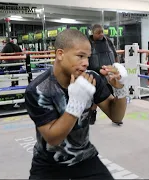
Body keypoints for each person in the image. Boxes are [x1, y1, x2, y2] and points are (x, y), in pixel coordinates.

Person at [24, 29, 128, 179]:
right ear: (60, 54)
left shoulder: (91, 79)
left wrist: (120, 89)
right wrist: (76, 103)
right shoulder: (39, 89)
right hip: (49, 164)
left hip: (85, 157)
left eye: (87, 57)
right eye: (80, 56)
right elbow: (53, 138)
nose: (86, 63)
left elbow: (116, 117)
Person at [86, 24, 122, 126]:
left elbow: (114, 54)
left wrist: (117, 66)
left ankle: (116, 116)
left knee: (114, 95)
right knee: (96, 97)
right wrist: (96, 70)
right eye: (98, 33)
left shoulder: (108, 41)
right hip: (95, 73)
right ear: (93, 33)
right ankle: (92, 114)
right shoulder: (88, 43)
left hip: (109, 72)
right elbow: (86, 59)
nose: (101, 34)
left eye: (102, 32)